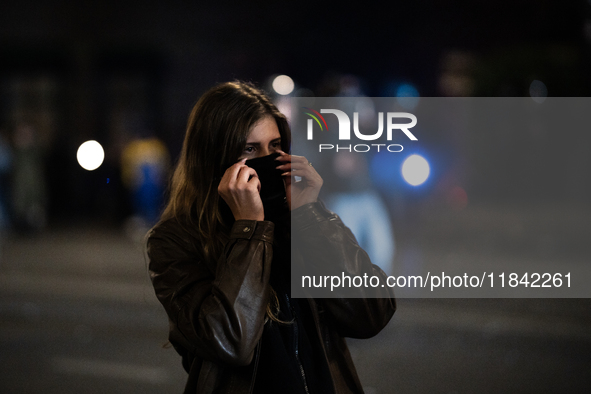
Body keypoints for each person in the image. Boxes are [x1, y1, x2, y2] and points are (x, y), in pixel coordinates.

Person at [147, 81, 396, 394]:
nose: (269, 160)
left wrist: (309, 216)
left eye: (276, 146)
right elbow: (231, 341)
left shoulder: (300, 221)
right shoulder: (175, 240)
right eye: (249, 150)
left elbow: (372, 314)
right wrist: (249, 229)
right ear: (213, 158)